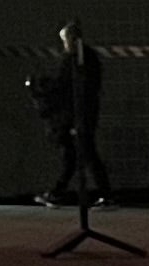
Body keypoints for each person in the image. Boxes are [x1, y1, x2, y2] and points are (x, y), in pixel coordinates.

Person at [42, 21, 110, 207]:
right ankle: (58, 191)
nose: (64, 44)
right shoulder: (86, 58)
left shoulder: (74, 60)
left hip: (78, 113)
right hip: (82, 112)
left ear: (72, 39)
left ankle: (105, 194)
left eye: (65, 40)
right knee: (78, 154)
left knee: (82, 153)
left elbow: (65, 86)